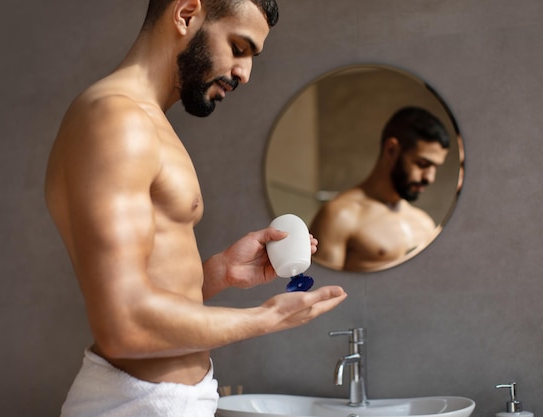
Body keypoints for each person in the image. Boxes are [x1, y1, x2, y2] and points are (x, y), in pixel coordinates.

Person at [44, 1, 347, 416]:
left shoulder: (146, 122)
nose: (245, 73)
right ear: (186, 14)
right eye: (239, 48)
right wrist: (265, 319)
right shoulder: (116, 120)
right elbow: (123, 324)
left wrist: (220, 272)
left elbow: (146, 291)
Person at [310, 107, 450, 272]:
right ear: (391, 150)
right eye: (422, 164)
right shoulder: (340, 215)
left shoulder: (425, 222)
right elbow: (321, 293)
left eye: (435, 167)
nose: (430, 178)